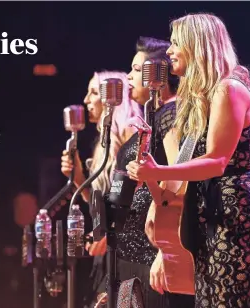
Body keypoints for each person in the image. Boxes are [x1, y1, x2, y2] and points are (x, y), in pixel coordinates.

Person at [126, 14, 250, 308]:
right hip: (211, 223)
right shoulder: (202, 99)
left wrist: (159, 170)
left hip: (235, 225)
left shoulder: (228, 89)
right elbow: (181, 180)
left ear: (198, 45)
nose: (168, 51)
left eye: (175, 43)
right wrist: (152, 177)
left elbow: (218, 161)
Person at [99, 36, 193, 308]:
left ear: (159, 75)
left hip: (150, 252)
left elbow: (179, 182)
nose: (129, 77)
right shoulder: (154, 116)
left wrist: (167, 249)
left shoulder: (171, 114)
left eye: (138, 70)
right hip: (133, 250)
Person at [61, 70, 141, 307]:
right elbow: (99, 204)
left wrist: (110, 235)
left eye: (94, 92)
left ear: (112, 97)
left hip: (126, 246)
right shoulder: (103, 143)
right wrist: (77, 178)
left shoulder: (131, 132)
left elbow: (137, 193)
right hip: (107, 246)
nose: (86, 100)